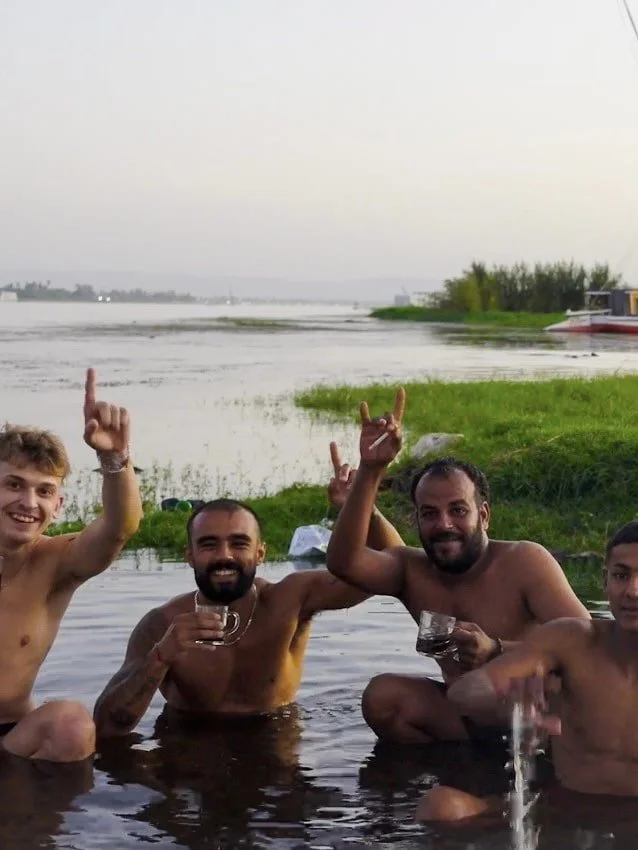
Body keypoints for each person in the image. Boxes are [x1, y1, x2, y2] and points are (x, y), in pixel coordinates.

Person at [325, 388, 589, 744]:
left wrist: (497, 650)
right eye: (429, 514)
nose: (444, 524)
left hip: (535, 724)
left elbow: (587, 645)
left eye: (458, 510)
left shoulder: (523, 561)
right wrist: (371, 471)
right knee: (383, 698)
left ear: (483, 515)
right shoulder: (411, 571)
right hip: (464, 721)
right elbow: (344, 563)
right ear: (416, 520)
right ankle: (446, 776)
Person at [93, 457, 402, 737]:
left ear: (260, 553)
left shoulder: (291, 600)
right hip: (193, 761)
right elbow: (107, 725)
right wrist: (159, 658)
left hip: (277, 753)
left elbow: (392, 569)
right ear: (190, 556)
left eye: (239, 543)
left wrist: (364, 507)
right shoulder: (162, 625)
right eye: (209, 544)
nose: (224, 556)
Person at [417, 519, 638, 822]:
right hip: (563, 809)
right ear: (605, 580)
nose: (632, 591)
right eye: (621, 575)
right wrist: (512, 703)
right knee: (440, 807)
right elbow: (463, 693)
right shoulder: (571, 640)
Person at [0, 368, 142, 761]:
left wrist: (114, 458)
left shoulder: (54, 564)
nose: (29, 504)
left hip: (12, 739)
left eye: (44, 491)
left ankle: (38, 818)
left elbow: (119, 529)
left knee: (71, 724)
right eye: (13, 485)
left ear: (58, 507)